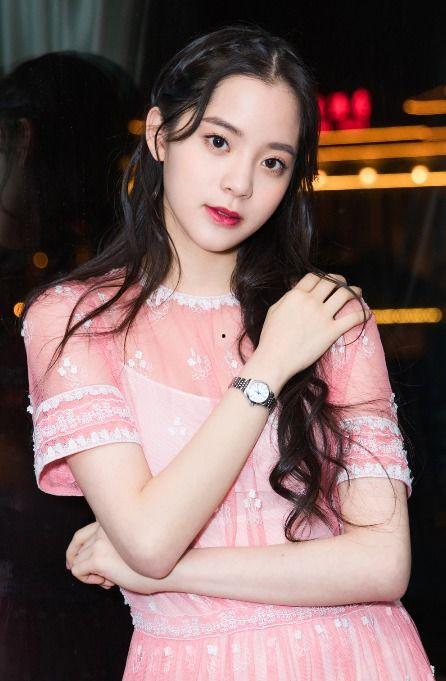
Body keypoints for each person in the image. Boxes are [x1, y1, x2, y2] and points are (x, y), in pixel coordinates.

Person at [22, 22, 435, 680]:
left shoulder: (327, 316)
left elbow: (383, 564)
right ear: (160, 135)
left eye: (273, 162)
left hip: (359, 659)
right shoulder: (73, 321)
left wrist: (167, 571)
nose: (240, 183)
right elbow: (149, 538)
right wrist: (268, 365)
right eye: (218, 141)